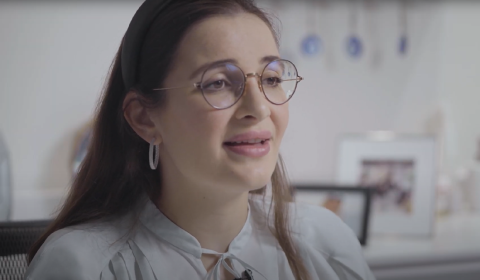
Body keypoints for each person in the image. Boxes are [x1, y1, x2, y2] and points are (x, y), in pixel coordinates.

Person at [25, 0, 375, 279]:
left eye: (270, 78)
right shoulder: (82, 266)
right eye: (218, 83)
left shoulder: (326, 242)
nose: (259, 108)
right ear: (144, 118)